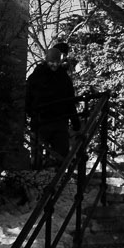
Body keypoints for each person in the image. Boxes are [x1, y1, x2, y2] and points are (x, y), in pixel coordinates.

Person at [25, 41, 79, 169]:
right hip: (42, 120)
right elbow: (28, 96)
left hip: (55, 120)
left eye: (57, 62)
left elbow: (69, 100)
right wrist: (30, 112)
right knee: (39, 155)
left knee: (60, 155)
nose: (55, 64)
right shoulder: (38, 76)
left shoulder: (63, 78)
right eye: (52, 62)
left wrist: (74, 120)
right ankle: (41, 178)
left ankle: (56, 180)